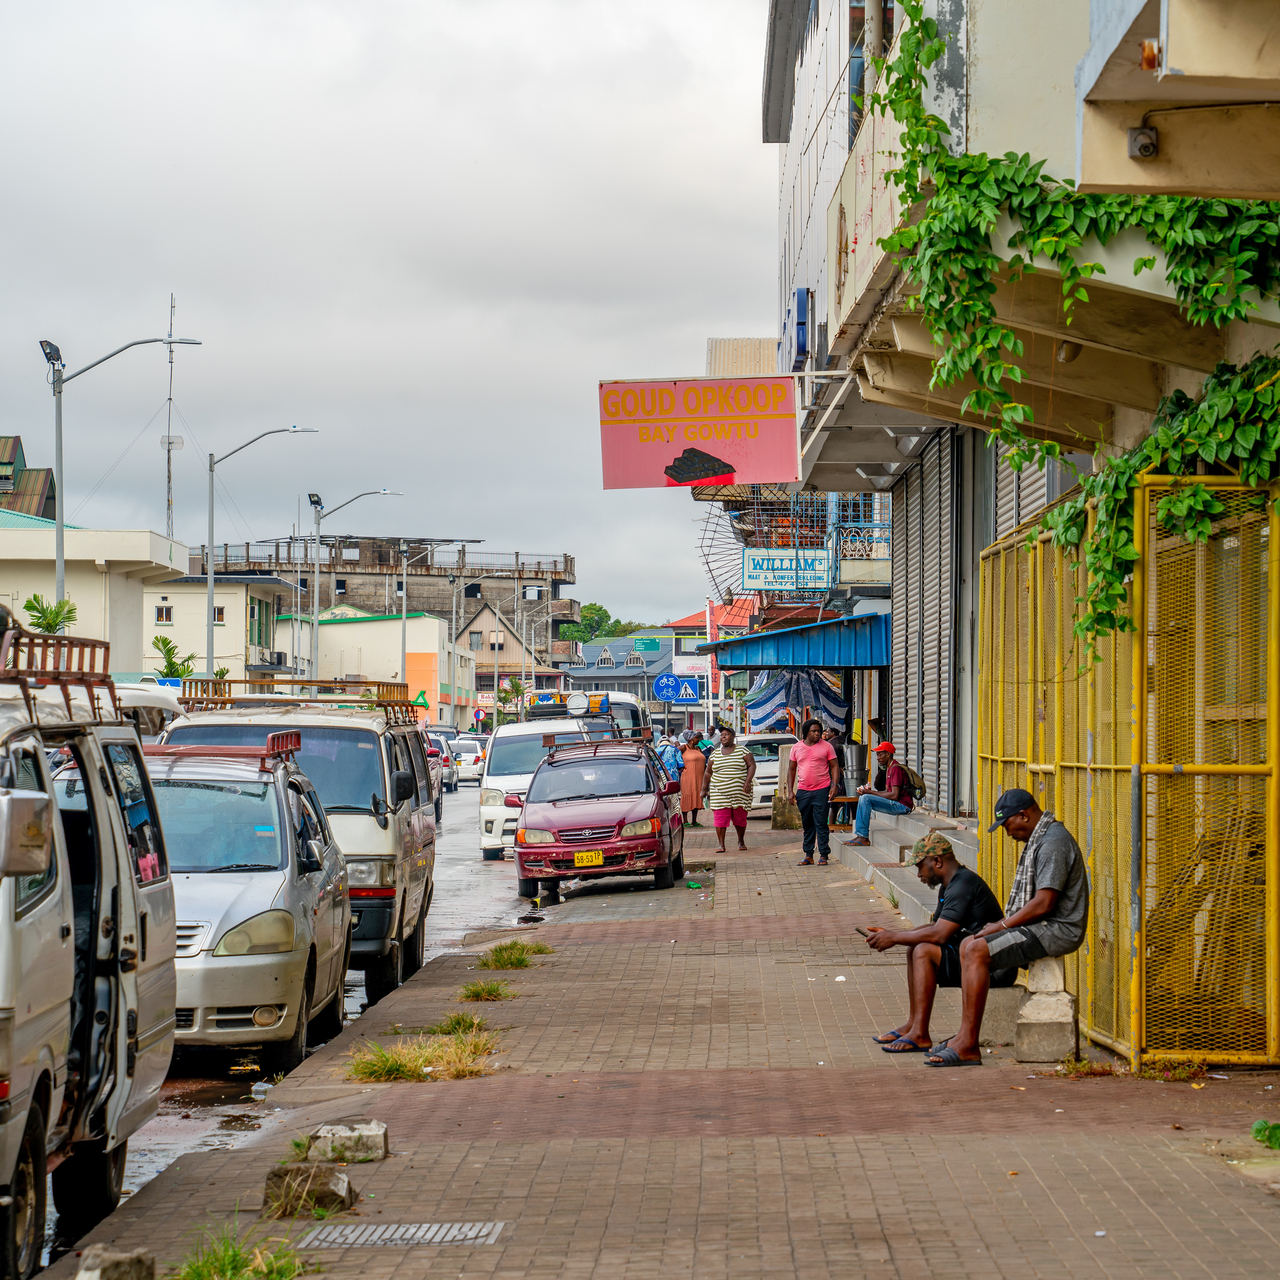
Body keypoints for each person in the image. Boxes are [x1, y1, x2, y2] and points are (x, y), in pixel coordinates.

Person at [924, 789, 1090, 1067]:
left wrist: (999, 925)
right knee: (968, 944)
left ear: (1023, 815)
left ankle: (968, 1044)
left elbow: (1044, 903)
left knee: (976, 948)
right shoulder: (1042, 838)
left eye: (1007, 825)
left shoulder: (1053, 843)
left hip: (1058, 929)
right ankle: (965, 1035)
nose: (1007, 833)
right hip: (1041, 926)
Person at [864, 833, 1018, 1053]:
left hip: (994, 968)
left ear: (937, 861)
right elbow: (933, 927)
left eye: (920, 867)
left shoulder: (963, 884)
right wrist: (894, 933)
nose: (919, 874)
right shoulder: (950, 884)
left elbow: (939, 935)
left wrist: (894, 938)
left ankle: (920, 1034)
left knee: (924, 951)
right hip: (972, 955)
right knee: (914, 948)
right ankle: (913, 1024)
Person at [786, 719, 839, 866]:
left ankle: (823, 855)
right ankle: (808, 855)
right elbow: (791, 769)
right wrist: (790, 791)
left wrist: (834, 786)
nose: (817, 734)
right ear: (806, 732)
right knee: (807, 823)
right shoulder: (796, 748)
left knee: (821, 822)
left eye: (818, 731)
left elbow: (834, 766)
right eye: (813, 731)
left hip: (822, 789)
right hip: (803, 790)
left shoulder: (827, 747)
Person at [701, 724, 755, 851]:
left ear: (733, 737)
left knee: (740, 819)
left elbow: (751, 765)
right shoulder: (715, 755)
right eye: (722, 735)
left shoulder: (743, 751)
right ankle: (721, 844)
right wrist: (703, 789)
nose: (723, 737)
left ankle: (741, 841)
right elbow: (708, 772)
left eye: (726, 734)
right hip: (719, 792)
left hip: (740, 792)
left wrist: (748, 781)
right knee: (720, 818)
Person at [848, 741, 912, 846]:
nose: (878, 757)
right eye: (877, 754)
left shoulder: (896, 768)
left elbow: (894, 795)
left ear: (888, 754)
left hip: (902, 806)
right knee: (865, 797)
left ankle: (863, 836)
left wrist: (870, 792)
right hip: (896, 803)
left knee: (865, 798)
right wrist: (868, 792)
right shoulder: (889, 768)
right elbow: (887, 792)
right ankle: (860, 835)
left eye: (880, 754)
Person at [680, 732, 706, 826]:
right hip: (688, 776)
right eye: (696, 738)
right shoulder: (684, 748)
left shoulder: (698, 748)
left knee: (697, 795)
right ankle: (685, 820)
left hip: (699, 776)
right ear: (691, 739)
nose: (698, 739)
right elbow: (674, 754)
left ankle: (694, 820)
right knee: (687, 795)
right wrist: (680, 766)